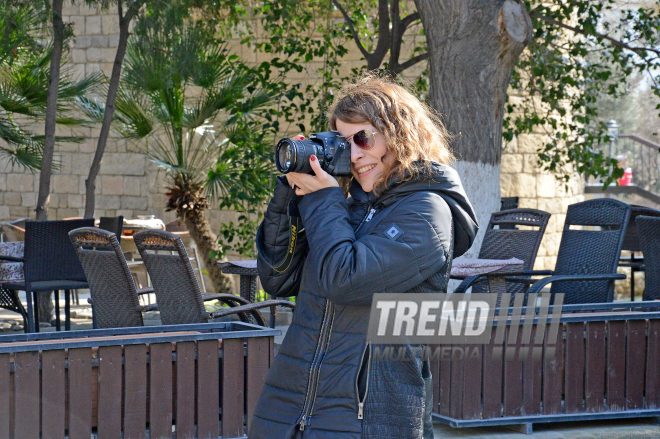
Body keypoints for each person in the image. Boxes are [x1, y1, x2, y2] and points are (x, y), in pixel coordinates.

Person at [249, 73, 478, 439]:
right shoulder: (347, 206)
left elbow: (346, 280)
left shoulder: (427, 212)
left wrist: (323, 200)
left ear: (400, 134)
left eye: (364, 138)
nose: (354, 155)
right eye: (344, 142)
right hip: (288, 406)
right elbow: (277, 279)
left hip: (367, 417)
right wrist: (289, 196)